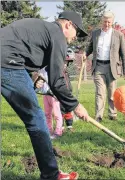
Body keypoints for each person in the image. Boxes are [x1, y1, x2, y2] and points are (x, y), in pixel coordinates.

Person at [1, 11, 89, 179]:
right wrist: (75, 106)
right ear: (68, 24)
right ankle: (51, 174)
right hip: (7, 62)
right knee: (36, 119)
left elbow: (22, 49)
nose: (76, 37)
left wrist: (33, 75)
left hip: (7, 58)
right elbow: (57, 80)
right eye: (77, 31)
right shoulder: (57, 35)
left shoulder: (44, 29)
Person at [83, 11, 125, 122]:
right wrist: (85, 53)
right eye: (104, 22)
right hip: (98, 66)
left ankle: (112, 114)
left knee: (112, 92)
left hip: (112, 67)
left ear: (112, 22)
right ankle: (98, 116)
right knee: (100, 92)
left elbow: (123, 54)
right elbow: (90, 47)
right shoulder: (95, 33)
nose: (106, 24)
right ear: (101, 21)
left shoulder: (118, 35)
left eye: (109, 22)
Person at [38, 67, 63, 139]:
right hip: (45, 94)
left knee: (56, 114)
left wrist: (57, 93)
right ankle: (49, 130)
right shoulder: (40, 68)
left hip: (53, 94)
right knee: (47, 114)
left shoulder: (52, 67)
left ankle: (58, 132)